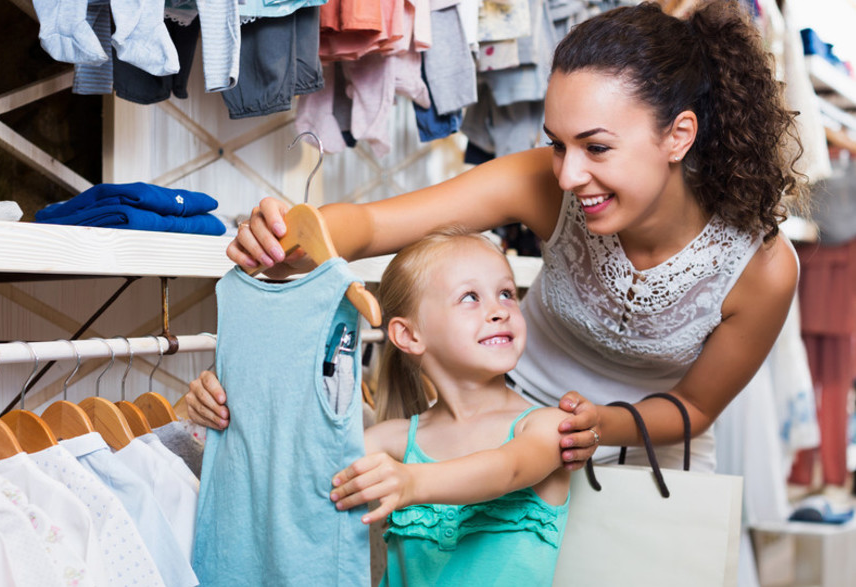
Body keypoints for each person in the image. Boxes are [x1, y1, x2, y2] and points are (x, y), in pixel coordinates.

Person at [188, 0, 805, 474]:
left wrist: (599, 424)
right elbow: (374, 225)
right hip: (499, 430)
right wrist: (292, 232)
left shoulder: (762, 269)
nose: (568, 174)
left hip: (647, 468)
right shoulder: (543, 184)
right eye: (556, 143)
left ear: (679, 135)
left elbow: (694, 409)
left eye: (596, 147)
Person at [338, 227, 570, 585]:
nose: (499, 310)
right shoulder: (392, 441)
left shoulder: (547, 427)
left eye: (506, 293)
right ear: (409, 336)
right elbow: (299, 472)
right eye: (469, 297)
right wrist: (220, 394)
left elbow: (506, 469)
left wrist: (411, 481)